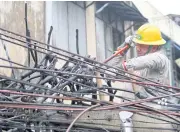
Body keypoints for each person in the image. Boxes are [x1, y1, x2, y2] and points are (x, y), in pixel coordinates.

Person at [107, 23, 170, 99]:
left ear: (154, 47)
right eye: (137, 45)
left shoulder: (160, 58)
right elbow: (113, 73)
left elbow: (145, 61)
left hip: (153, 107)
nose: (137, 49)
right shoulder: (139, 65)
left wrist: (124, 66)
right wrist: (124, 47)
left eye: (142, 45)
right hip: (135, 108)